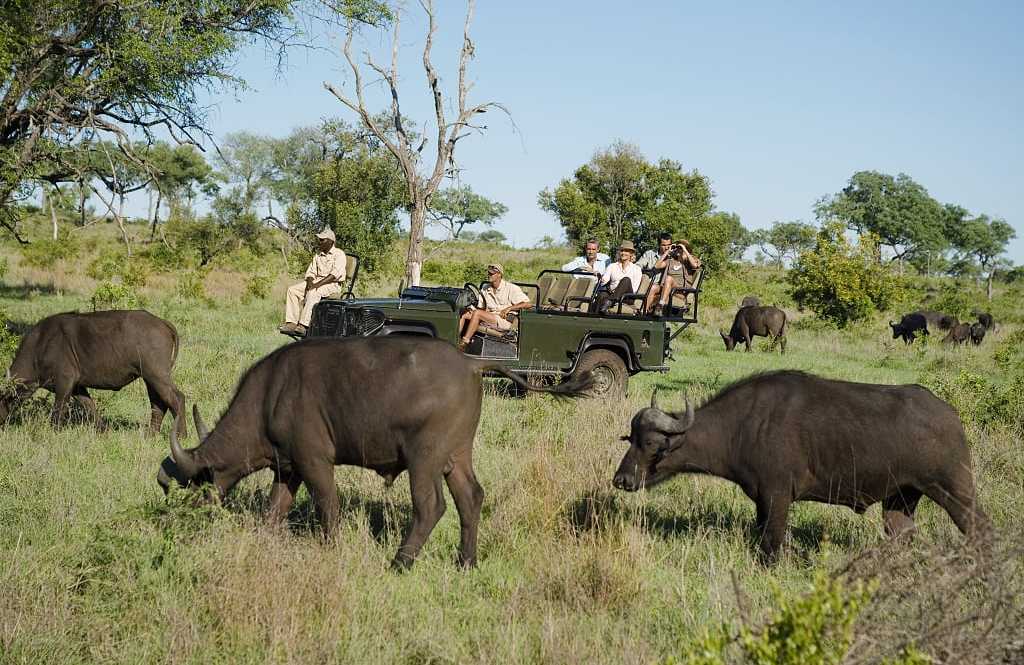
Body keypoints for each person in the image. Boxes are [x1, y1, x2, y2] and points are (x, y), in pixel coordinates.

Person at [279, 228, 347, 335]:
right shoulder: (318, 255)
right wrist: (310, 283)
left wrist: (316, 285)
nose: (319, 242)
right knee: (292, 290)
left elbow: (334, 275)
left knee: (314, 291)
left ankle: (304, 325)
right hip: (317, 282)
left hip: (332, 284)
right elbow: (311, 272)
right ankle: (291, 323)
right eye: (319, 239)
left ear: (331, 241)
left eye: (322, 240)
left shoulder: (339, 254)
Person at [457, 263, 531, 350]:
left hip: (504, 320)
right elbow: (481, 308)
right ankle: (455, 339)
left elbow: (528, 304)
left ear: (499, 274)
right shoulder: (485, 288)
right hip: (489, 316)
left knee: (477, 314)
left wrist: (509, 308)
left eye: (492, 274)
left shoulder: (511, 288)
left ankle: (464, 342)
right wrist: (472, 309)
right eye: (488, 273)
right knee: (465, 313)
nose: (489, 275)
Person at [644, 238, 701, 315]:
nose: (678, 250)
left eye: (680, 248)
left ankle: (660, 305)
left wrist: (684, 250)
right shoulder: (670, 261)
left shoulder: (689, 261)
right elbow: (657, 266)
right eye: (677, 248)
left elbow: (695, 265)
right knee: (653, 286)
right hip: (666, 288)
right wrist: (667, 251)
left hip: (679, 290)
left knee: (669, 278)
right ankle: (644, 311)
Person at [594, 241, 642, 314]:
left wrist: (618, 291)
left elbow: (635, 289)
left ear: (631, 254)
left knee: (626, 279)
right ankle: (595, 316)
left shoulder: (636, 269)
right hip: (612, 293)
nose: (623, 253)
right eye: (622, 250)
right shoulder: (612, 266)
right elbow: (604, 281)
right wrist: (600, 276)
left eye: (626, 251)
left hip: (627, 296)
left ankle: (610, 302)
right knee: (601, 295)